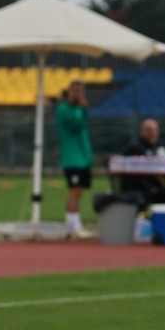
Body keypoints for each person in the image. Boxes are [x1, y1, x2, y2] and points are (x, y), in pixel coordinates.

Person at [55, 80, 93, 239]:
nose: (78, 95)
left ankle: (70, 222)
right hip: (72, 158)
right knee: (74, 189)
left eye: (80, 91)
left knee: (78, 191)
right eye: (75, 91)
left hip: (83, 157)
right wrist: (83, 110)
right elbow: (75, 125)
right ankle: (75, 225)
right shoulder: (64, 110)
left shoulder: (79, 110)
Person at [120, 118, 165, 208]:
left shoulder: (158, 150)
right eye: (149, 130)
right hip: (143, 192)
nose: (153, 133)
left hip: (156, 191)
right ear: (141, 132)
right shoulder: (135, 149)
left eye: (155, 130)